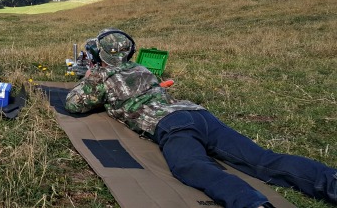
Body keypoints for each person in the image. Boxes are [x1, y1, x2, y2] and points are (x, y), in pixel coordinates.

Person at [65, 28, 337, 208]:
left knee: (190, 166)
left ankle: (250, 203)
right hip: (200, 116)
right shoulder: (142, 68)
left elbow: (74, 104)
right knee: (263, 160)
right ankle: (330, 183)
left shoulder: (101, 76)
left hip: (172, 125)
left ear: (98, 55)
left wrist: (90, 76)